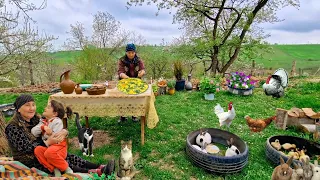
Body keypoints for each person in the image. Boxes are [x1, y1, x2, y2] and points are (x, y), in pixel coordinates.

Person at [5, 94, 115, 176]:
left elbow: (54, 125)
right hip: (29, 158)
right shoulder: (13, 127)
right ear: (19, 109)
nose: (32, 108)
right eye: (27, 105)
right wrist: (47, 142)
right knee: (60, 161)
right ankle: (97, 172)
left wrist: (64, 132)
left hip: (45, 150)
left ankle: (100, 166)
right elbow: (25, 148)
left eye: (33, 105)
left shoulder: (36, 119)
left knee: (69, 156)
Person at [31, 100, 73, 177]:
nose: (45, 108)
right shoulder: (43, 122)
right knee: (38, 150)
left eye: (48, 107)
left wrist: (49, 132)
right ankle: (54, 169)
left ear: (55, 113)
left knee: (49, 153)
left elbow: (55, 138)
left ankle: (66, 168)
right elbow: (33, 131)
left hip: (59, 147)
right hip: (49, 147)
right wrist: (43, 127)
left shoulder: (57, 121)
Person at [117, 43, 146, 123]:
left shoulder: (139, 60)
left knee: (135, 98)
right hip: (124, 82)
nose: (131, 54)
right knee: (123, 99)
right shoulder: (122, 60)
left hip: (136, 82)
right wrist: (127, 78)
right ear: (126, 52)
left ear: (135, 52)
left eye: (132, 52)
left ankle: (134, 116)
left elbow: (143, 69)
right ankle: (122, 116)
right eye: (129, 52)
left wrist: (142, 72)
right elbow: (120, 72)